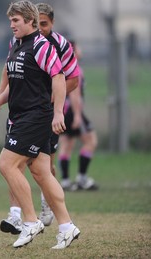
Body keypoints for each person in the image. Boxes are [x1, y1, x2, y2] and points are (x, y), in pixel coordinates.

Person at [0, 1, 80, 249]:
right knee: (41, 173)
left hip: (35, 116)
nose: (11, 25)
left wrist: (58, 113)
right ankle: (67, 226)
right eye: (10, 21)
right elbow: (16, 80)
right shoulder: (17, 45)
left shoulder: (41, 45)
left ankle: (30, 221)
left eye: (16, 20)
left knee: (6, 164)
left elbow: (59, 77)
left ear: (30, 21)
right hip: (21, 115)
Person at [58, 40, 98, 191]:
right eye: (78, 48)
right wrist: (77, 115)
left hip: (63, 110)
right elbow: (74, 94)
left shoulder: (62, 68)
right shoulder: (75, 70)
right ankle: (82, 178)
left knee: (67, 144)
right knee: (91, 141)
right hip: (72, 111)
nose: (81, 51)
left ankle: (66, 181)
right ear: (73, 52)